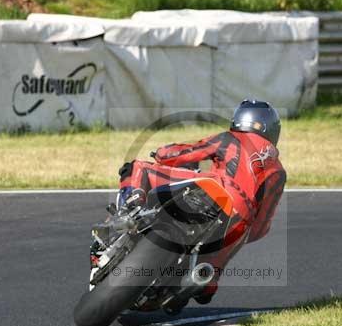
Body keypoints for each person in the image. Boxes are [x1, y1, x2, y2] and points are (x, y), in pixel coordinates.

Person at [100, 99, 286, 304]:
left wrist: (161, 153)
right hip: (240, 219)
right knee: (211, 276)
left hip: (215, 188)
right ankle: (196, 282)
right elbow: (260, 228)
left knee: (138, 168)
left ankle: (129, 209)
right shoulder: (278, 172)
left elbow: (186, 152)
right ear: (271, 130)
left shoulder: (231, 139)